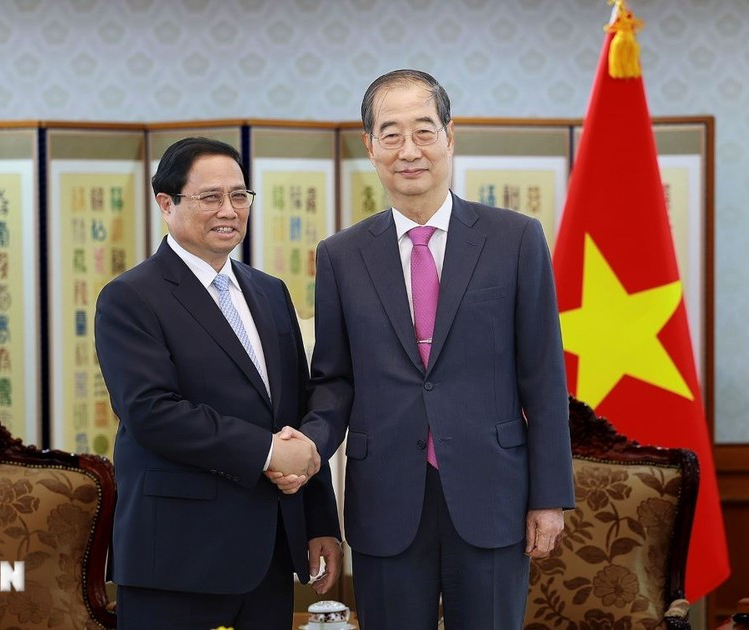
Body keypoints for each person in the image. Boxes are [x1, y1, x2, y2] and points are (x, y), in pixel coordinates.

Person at [294, 70, 575, 629]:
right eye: (391, 134)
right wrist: (306, 449)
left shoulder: (516, 239)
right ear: (370, 147)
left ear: (450, 136)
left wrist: (549, 497)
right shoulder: (341, 257)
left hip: (492, 493)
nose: (409, 151)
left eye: (424, 131)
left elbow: (543, 378)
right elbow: (335, 381)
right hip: (386, 498)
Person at [95, 137, 342, 630]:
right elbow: (151, 411)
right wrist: (269, 453)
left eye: (240, 196)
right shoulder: (130, 297)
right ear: (166, 204)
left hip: (270, 552)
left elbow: (292, 411)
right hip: (178, 559)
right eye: (210, 197)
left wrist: (320, 524)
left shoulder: (269, 292)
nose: (229, 210)